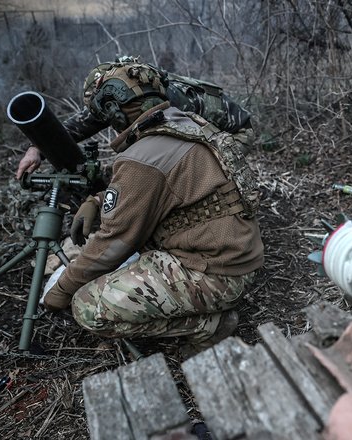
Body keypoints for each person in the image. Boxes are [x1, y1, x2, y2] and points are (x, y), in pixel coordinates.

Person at [41, 59, 264, 352]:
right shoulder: (187, 123)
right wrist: (98, 200)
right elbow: (160, 187)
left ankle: (209, 325)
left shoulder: (142, 156)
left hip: (216, 274)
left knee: (87, 306)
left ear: (114, 111)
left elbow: (112, 243)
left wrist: (61, 290)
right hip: (238, 256)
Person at [16, 55, 255, 179]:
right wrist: (37, 148)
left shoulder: (177, 104)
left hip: (234, 133)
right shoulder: (123, 95)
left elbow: (176, 154)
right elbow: (80, 125)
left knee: (185, 176)